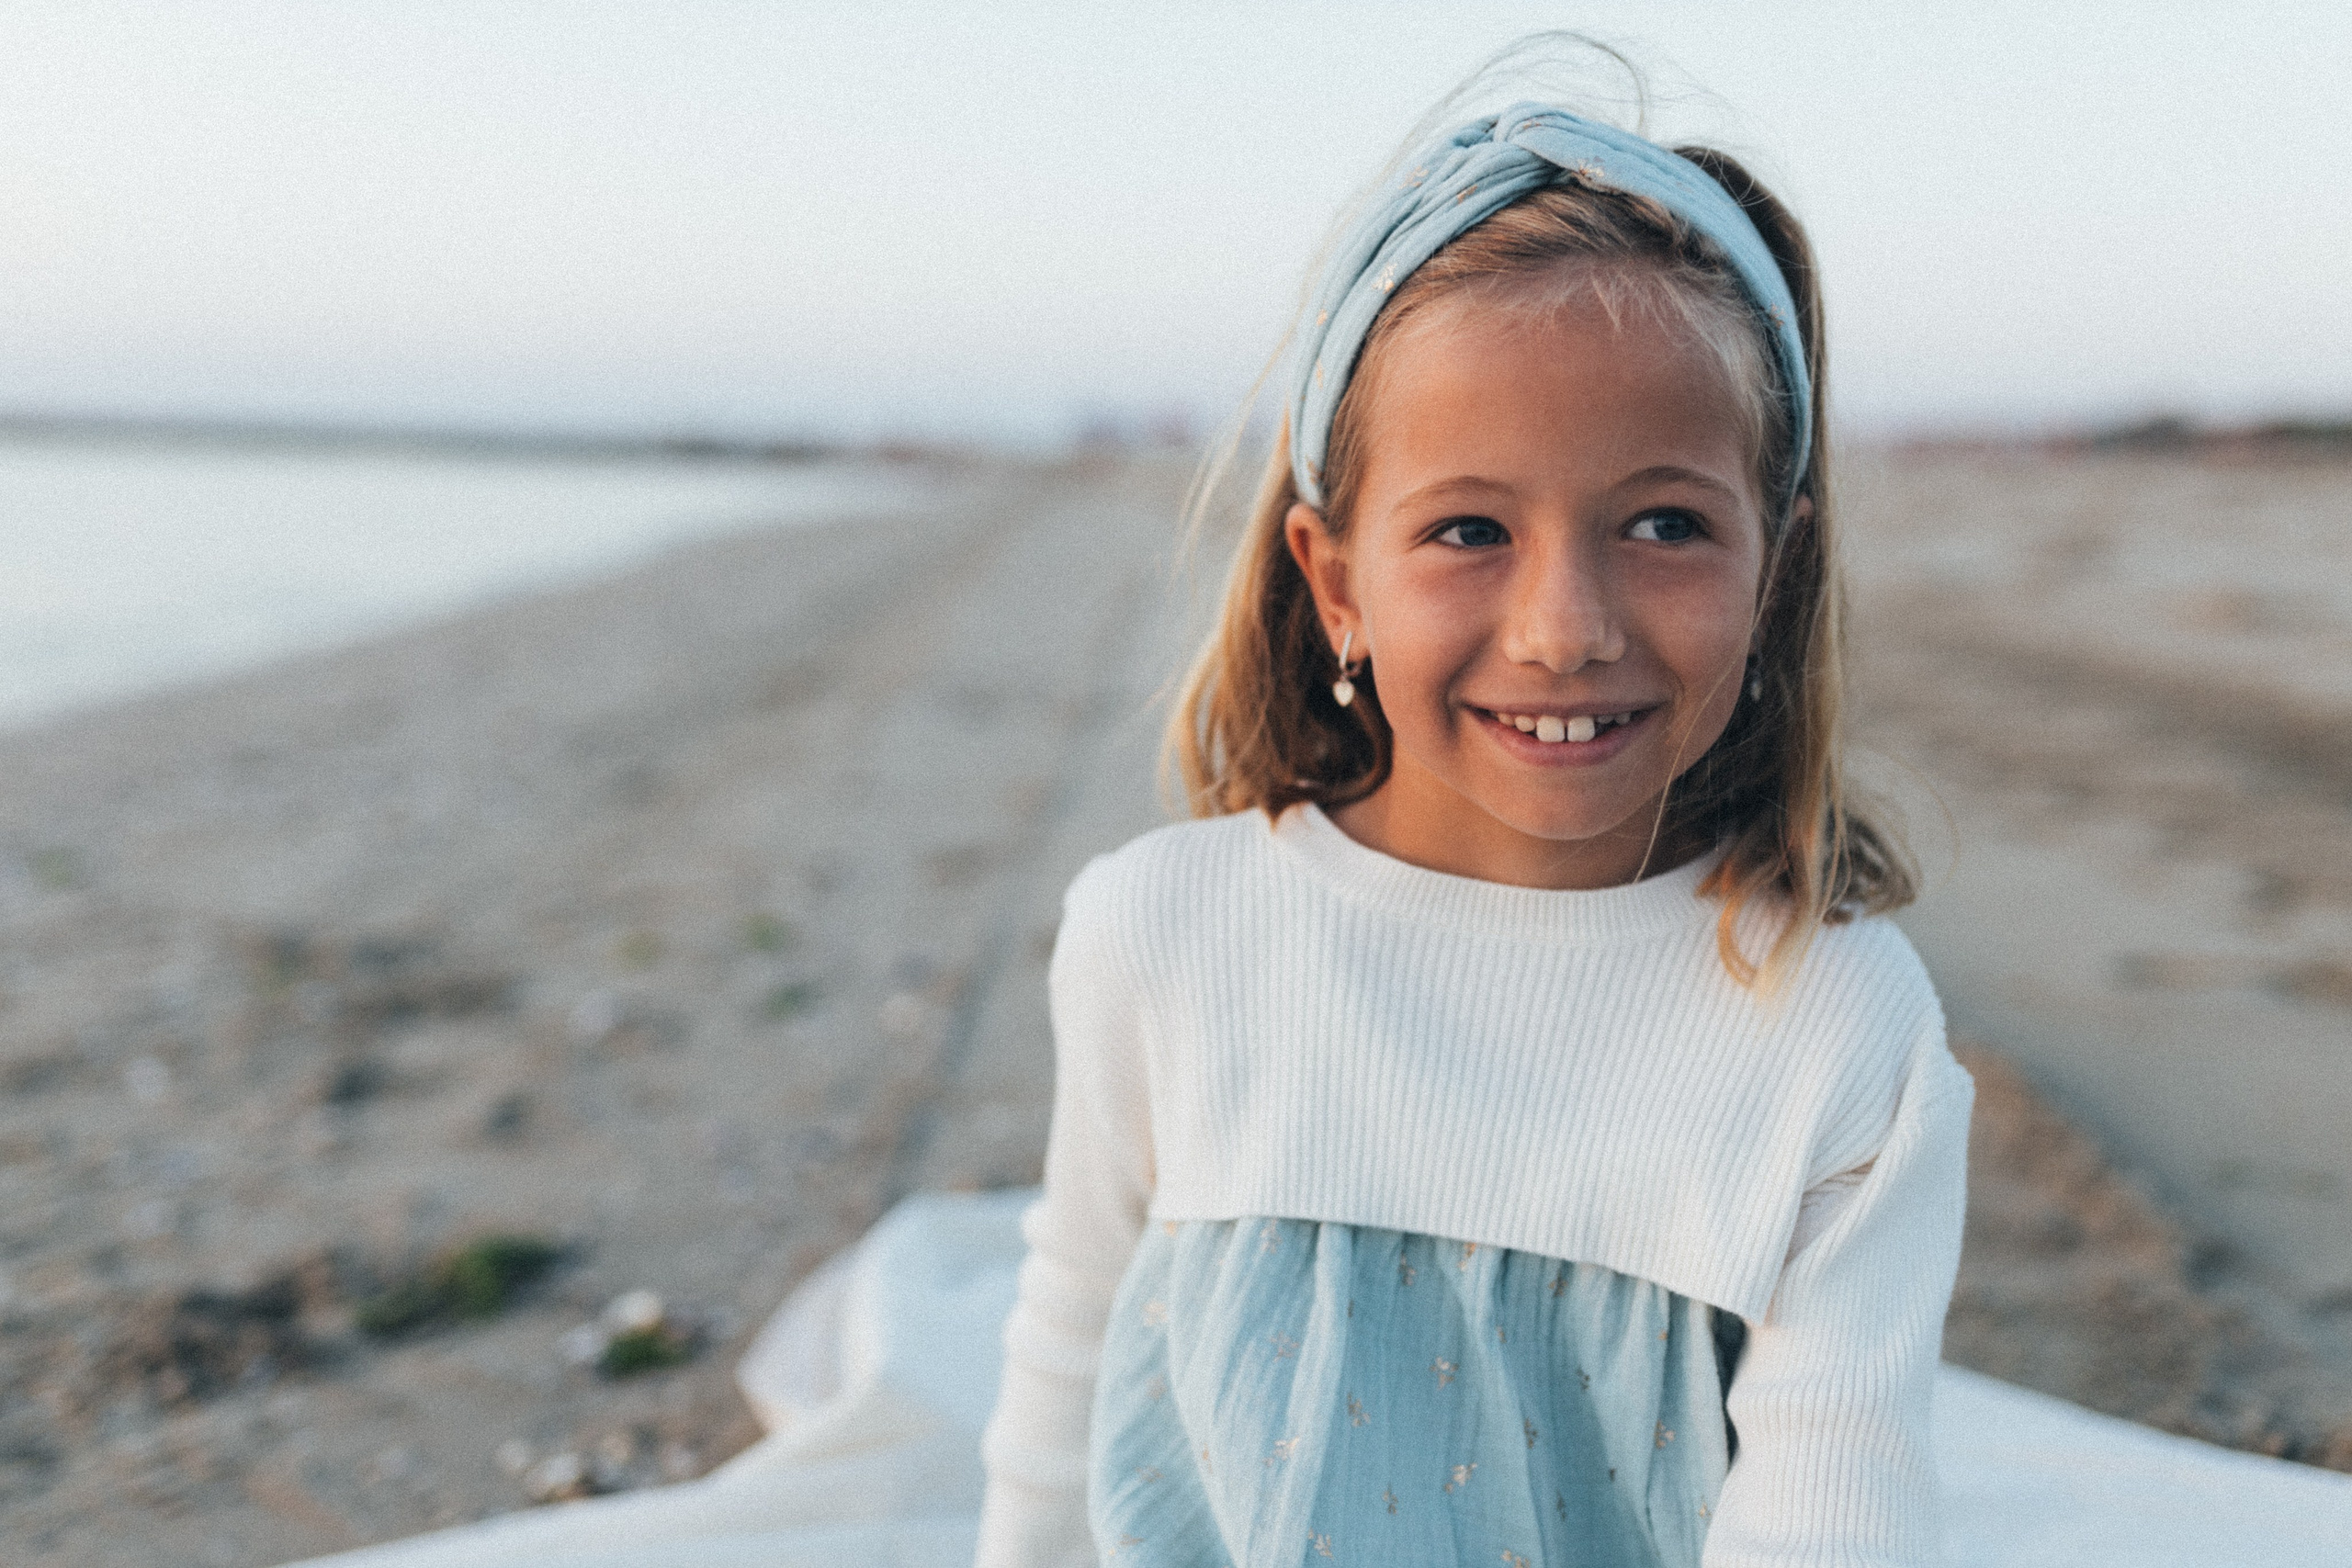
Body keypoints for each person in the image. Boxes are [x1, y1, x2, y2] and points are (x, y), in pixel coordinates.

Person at [974, 59, 1973, 1568]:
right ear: (1336, 581)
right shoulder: (1165, 933)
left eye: (1663, 524)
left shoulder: (1838, 1031)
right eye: (1467, 530)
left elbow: (1840, 1510)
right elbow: (1067, 1353)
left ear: (1776, 566)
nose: (1565, 626)